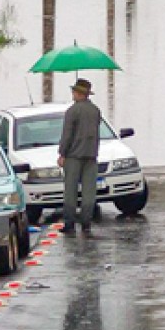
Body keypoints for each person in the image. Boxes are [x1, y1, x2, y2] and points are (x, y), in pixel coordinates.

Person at [57, 78, 103, 234]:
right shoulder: (96, 111)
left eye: (74, 91)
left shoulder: (72, 111)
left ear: (78, 93)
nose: (72, 94)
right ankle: (86, 223)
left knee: (70, 192)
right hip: (91, 156)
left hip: (73, 157)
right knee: (89, 193)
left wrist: (62, 153)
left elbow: (67, 135)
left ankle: (69, 224)